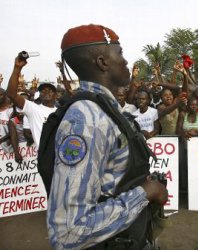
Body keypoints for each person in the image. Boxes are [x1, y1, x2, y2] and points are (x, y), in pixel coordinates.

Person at [47, 24, 168, 249]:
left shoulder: (106, 109)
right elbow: (69, 231)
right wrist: (145, 193)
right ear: (103, 62)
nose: (125, 61)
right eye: (120, 53)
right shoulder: (85, 120)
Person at [7, 60, 58, 148]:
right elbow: (11, 94)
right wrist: (17, 68)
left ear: (56, 95)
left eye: (50, 90)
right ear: (39, 95)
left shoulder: (61, 111)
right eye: (43, 90)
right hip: (46, 159)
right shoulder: (33, 109)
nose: (46, 92)